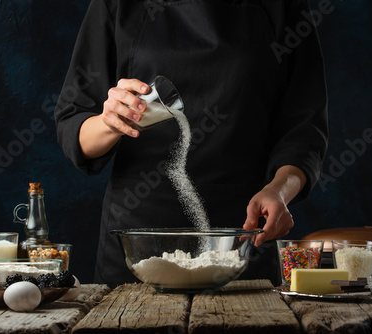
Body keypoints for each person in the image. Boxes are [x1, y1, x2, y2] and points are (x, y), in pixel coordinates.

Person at [55, 0, 328, 287]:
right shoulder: (115, 5)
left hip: (241, 235)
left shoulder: (283, 6)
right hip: (139, 240)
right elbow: (75, 129)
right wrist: (110, 122)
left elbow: (304, 130)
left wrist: (279, 191)